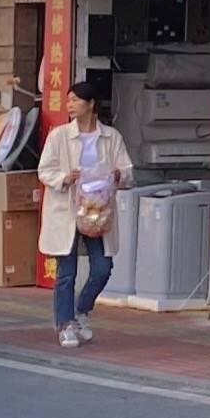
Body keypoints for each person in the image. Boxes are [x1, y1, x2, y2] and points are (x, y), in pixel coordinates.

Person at [39, 74, 132, 348]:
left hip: (98, 211)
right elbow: (45, 169)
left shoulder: (111, 137)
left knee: (103, 268)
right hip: (67, 209)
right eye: (68, 100)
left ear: (91, 104)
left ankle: (81, 310)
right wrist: (65, 177)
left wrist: (118, 175)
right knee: (66, 271)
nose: (70, 104)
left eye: (75, 100)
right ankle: (65, 323)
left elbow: (127, 172)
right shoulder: (59, 136)